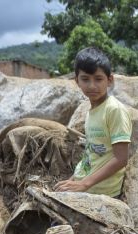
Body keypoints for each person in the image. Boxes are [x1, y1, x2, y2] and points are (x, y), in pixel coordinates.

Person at [54, 47, 132, 197]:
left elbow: (121, 158)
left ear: (109, 80)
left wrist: (83, 184)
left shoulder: (114, 110)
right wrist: (74, 180)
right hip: (85, 186)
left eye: (98, 79)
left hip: (102, 193)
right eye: (85, 79)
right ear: (77, 81)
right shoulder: (92, 112)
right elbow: (91, 154)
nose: (92, 86)